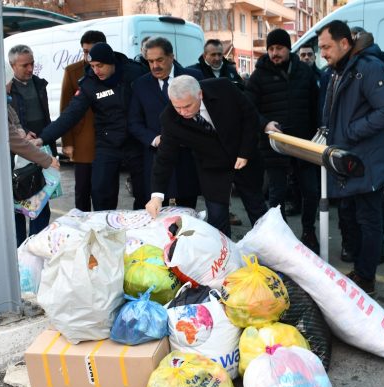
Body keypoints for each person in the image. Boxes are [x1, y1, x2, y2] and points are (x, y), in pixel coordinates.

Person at [317, 20, 384, 295]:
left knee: (369, 221)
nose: (323, 53)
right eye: (321, 48)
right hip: (352, 159)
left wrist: (351, 131)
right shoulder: (339, 71)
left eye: (327, 47)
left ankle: (367, 278)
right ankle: (362, 271)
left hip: (368, 161)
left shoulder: (368, 68)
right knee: (356, 219)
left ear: (344, 43)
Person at [145, 76, 268, 237]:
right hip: (211, 167)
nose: (183, 112)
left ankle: (271, 254)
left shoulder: (223, 88)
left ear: (200, 94)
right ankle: (226, 257)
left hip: (243, 158)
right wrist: (156, 196)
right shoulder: (169, 118)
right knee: (217, 218)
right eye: (178, 107)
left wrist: (244, 152)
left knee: (258, 210)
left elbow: (250, 116)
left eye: (187, 106)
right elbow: (164, 158)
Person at [38, 42, 145, 211]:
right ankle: (105, 230)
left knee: (144, 192)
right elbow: (70, 115)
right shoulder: (89, 84)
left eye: (100, 66)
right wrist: (43, 138)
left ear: (111, 62)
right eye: (93, 66)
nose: (96, 71)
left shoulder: (135, 72)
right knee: (101, 192)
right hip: (108, 142)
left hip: (136, 141)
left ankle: (143, 228)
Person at [245, 28, 320, 253]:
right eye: (271, 49)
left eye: (279, 48)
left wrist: (318, 134)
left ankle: (309, 231)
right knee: (277, 194)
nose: (274, 53)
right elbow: (249, 109)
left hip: (304, 144)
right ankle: (282, 237)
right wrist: (264, 124)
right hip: (274, 145)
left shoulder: (304, 73)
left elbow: (315, 106)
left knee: (311, 191)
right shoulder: (259, 76)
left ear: (288, 49)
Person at [128, 36, 202, 208]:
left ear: (171, 57)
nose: (155, 66)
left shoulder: (195, 77)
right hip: (157, 160)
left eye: (159, 60)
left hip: (188, 160)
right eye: (150, 61)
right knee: (159, 215)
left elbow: (205, 113)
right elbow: (134, 122)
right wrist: (154, 139)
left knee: (187, 213)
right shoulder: (140, 85)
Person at [6, 44, 56, 240]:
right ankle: (19, 246)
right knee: (19, 199)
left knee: (42, 198)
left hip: (41, 148)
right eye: (24, 65)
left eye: (32, 64)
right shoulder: (7, 90)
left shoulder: (39, 84)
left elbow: (46, 117)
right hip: (19, 152)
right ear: (12, 66)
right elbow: (12, 122)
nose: (30, 68)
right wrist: (23, 134)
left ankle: (38, 240)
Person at [59, 30, 106, 212]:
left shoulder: (112, 67)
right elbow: (65, 109)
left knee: (103, 192)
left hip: (107, 141)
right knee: (82, 192)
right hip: (83, 142)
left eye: (91, 51)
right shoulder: (73, 72)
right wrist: (68, 142)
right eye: (85, 51)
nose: (88, 56)